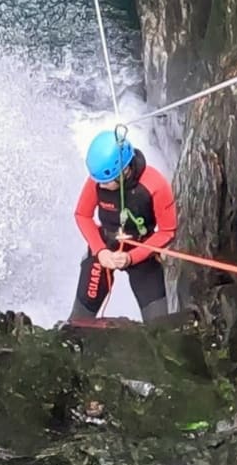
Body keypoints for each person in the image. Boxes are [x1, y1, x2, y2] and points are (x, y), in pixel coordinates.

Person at [68, 128, 176, 323]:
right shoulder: (97, 181)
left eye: (106, 182)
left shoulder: (155, 185)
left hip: (143, 250)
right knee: (78, 323)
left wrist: (131, 258)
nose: (100, 186)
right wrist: (100, 251)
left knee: (161, 328)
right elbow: (82, 215)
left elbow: (167, 231)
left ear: (123, 171)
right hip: (105, 246)